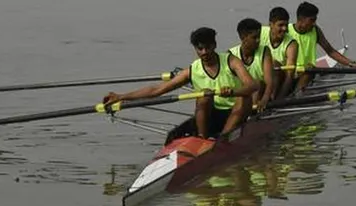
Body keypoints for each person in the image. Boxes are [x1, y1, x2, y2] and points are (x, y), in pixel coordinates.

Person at [103, 27, 258, 139]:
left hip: (237, 114)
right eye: (200, 48)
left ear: (214, 45)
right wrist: (121, 96)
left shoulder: (230, 61)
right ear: (196, 49)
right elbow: (157, 90)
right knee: (203, 97)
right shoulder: (192, 70)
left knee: (244, 96)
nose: (204, 52)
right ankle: (202, 140)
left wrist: (232, 91)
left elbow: (253, 85)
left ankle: (224, 139)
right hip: (213, 113)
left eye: (208, 47)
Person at [288, 1, 356, 91]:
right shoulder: (286, 31)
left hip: (307, 73)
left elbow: (330, 51)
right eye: (312, 20)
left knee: (309, 70)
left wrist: (351, 64)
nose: (314, 23)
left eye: (315, 20)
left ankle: (297, 95)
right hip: (288, 71)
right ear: (301, 19)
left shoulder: (315, 31)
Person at [229, 18, 274, 112]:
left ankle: (251, 112)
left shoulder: (265, 51)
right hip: (239, 97)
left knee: (258, 83)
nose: (258, 40)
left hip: (259, 94)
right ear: (243, 37)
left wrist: (265, 99)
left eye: (259, 37)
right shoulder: (230, 55)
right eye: (254, 37)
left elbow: (269, 81)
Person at [259, 7, 299, 100]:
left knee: (273, 63)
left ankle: (273, 98)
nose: (284, 29)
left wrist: (280, 100)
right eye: (280, 25)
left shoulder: (291, 44)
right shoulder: (259, 33)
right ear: (271, 25)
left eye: (286, 25)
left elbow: (289, 75)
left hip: (281, 80)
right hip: (262, 78)